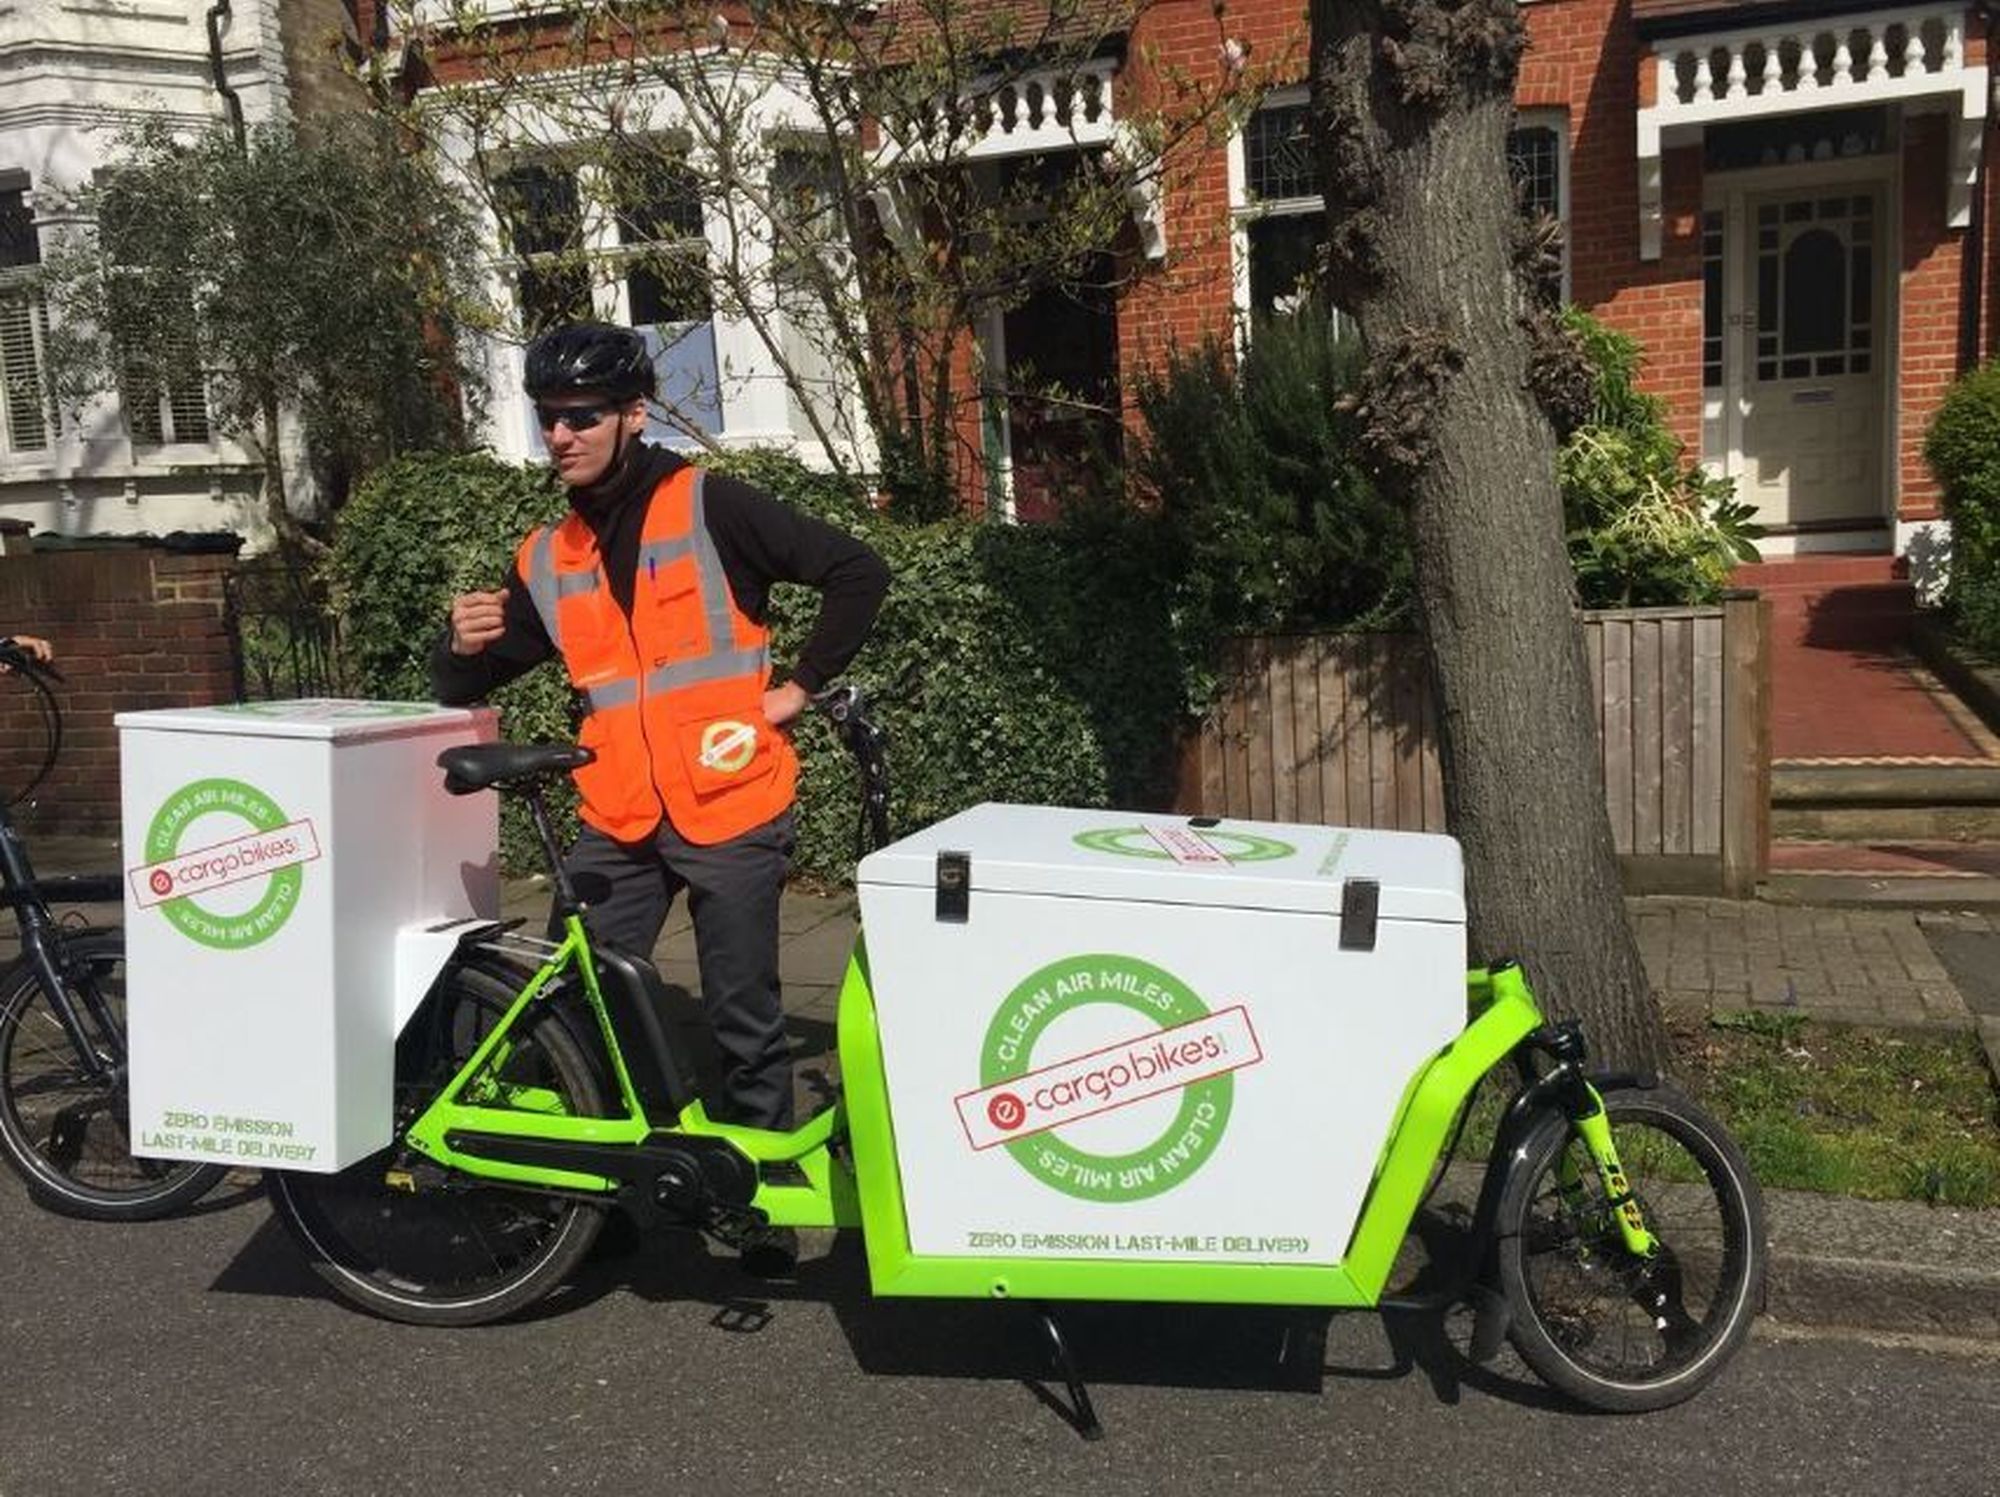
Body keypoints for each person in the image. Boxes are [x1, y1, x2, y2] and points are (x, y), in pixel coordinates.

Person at [432, 322, 889, 1275]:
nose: (560, 435)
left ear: (633, 415)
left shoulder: (709, 503)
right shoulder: (546, 554)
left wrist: (798, 688)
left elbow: (857, 570)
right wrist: (464, 645)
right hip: (616, 811)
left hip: (730, 798)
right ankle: (608, 1197)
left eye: (581, 417)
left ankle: (759, 1205)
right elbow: (464, 689)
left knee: (743, 1014)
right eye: (549, 418)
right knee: (578, 1004)